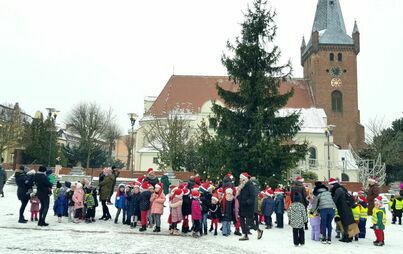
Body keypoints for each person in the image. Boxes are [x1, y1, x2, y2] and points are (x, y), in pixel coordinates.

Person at [237, 172, 263, 241]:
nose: (240, 180)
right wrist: (238, 197)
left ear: (244, 179)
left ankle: (258, 230)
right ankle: (245, 235)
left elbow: (252, 197)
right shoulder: (242, 186)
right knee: (242, 221)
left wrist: (246, 202)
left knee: (250, 222)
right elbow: (240, 196)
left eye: (241, 179)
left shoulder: (251, 186)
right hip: (242, 206)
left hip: (248, 207)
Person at [329, 178, 355, 242]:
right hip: (347, 206)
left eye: (330, 185)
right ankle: (351, 236)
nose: (330, 187)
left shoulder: (338, 190)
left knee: (345, 222)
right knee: (350, 221)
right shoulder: (341, 188)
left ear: (333, 184)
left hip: (343, 208)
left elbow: (335, 200)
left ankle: (346, 238)